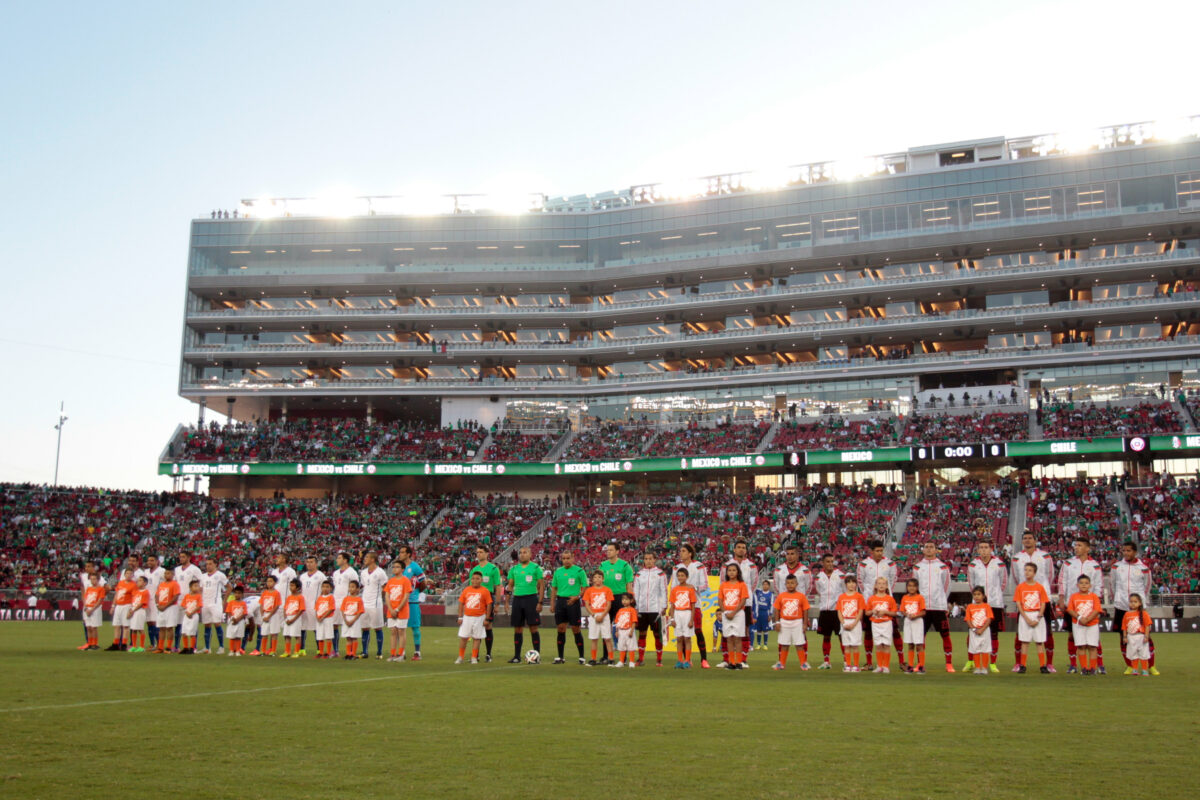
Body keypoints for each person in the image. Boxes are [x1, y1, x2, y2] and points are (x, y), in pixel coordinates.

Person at [1059, 538, 1106, 674]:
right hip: (1072, 605)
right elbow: (1062, 581)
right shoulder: (1068, 563)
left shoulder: (1095, 565)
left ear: (1087, 548)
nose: (1076, 548)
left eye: (1079, 545)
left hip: (1089, 607)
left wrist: (1094, 602)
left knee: (1094, 638)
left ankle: (1099, 665)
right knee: (1072, 636)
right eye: (1075, 545)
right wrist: (1062, 598)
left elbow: (1099, 585)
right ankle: (1073, 665)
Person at [1011, 532, 1056, 672]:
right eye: (1025, 538)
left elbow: (1050, 575)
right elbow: (1016, 577)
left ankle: (1048, 663)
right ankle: (1019, 663)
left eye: (1030, 538)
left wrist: (1039, 590)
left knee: (1046, 633)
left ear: (1035, 540)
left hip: (1042, 599)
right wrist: (1026, 591)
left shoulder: (1045, 556)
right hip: (1025, 600)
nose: (1027, 540)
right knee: (1021, 635)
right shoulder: (1017, 557)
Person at [1111, 541, 1157, 675]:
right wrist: (1118, 599)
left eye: (1128, 551)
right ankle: (1130, 666)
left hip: (1138, 608)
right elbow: (1113, 585)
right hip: (1122, 606)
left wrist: (1141, 602)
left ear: (1135, 552)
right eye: (1124, 551)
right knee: (1123, 637)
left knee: (1145, 636)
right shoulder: (1116, 567)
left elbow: (1147, 586)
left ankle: (1151, 666)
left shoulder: (1143, 568)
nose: (1126, 553)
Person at [857, 540, 901, 667]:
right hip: (869, 603)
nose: (879, 553)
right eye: (877, 551)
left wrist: (885, 596)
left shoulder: (890, 564)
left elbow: (892, 581)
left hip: (886, 603)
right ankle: (869, 663)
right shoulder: (863, 564)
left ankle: (901, 661)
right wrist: (870, 597)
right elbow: (861, 582)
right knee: (869, 633)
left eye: (881, 550)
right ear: (871, 551)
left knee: (895, 632)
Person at [912, 541, 954, 672]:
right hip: (923, 608)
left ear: (936, 550)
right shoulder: (917, 567)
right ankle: (920, 664)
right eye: (927, 547)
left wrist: (942, 600)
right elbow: (914, 587)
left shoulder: (943, 567)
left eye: (932, 547)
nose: (929, 549)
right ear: (923, 550)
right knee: (920, 637)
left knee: (945, 635)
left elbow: (946, 586)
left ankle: (948, 664)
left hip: (938, 607)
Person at [966, 539, 1007, 673]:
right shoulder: (973, 565)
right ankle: (971, 661)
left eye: (986, 547)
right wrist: (979, 598)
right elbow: (972, 584)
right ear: (978, 550)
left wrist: (995, 595)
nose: (983, 550)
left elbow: (1003, 583)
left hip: (995, 603)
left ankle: (992, 663)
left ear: (991, 549)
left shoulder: (999, 564)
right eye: (981, 548)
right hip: (977, 605)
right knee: (973, 633)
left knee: (994, 634)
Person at [671, 543, 712, 668]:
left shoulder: (699, 566)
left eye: (683, 551)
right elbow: (673, 587)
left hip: (695, 605)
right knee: (682, 635)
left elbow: (705, 585)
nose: (681, 553)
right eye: (680, 551)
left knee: (698, 630)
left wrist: (694, 588)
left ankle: (704, 660)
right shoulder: (676, 568)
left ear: (690, 553)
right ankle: (685, 660)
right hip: (679, 607)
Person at [504, 546, 545, 664]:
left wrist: (540, 601)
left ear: (530, 554)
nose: (522, 554)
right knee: (517, 628)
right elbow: (510, 586)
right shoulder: (514, 569)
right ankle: (517, 656)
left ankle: (537, 655)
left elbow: (541, 586)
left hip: (531, 599)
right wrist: (507, 601)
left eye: (525, 552)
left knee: (533, 627)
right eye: (520, 552)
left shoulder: (536, 568)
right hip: (517, 599)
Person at [723, 540, 759, 665]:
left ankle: (743, 659)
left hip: (745, 603)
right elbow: (723, 582)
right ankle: (728, 660)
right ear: (734, 549)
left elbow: (754, 584)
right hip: (729, 603)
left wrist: (745, 595)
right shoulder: (726, 565)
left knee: (744, 630)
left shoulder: (751, 566)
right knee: (727, 631)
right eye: (739, 547)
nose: (741, 550)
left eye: (743, 547)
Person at [550, 550, 588, 665]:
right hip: (561, 601)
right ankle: (560, 657)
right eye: (564, 558)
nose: (566, 560)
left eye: (568, 558)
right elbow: (554, 589)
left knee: (576, 629)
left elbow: (585, 587)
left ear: (573, 558)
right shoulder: (558, 572)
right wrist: (552, 603)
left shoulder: (579, 571)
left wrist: (577, 597)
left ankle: (581, 657)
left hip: (573, 602)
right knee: (560, 629)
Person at [599, 543, 634, 660]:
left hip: (620, 598)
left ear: (617, 551)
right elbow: (599, 583)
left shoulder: (625, 566)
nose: (608, 552)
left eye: (611, 550)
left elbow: (629, 585)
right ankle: (606, 656)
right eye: (607, 550)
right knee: (605, 628)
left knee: (623, 627)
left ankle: (623, 658)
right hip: (606, 598)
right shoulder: (602, 565)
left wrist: (630, 601)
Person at [632, 552, 668, 666]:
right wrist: (636, 607)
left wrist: (664, 606)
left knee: (657, 635)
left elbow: (664, 591)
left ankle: (659, 660)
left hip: (655, 609)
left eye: (650, 559)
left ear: (654, 560)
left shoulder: (660, 574)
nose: (648, 561)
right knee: (642, 634)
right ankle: (641, 659)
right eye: (646, 559)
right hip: (642, 609)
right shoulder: (638, 575)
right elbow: (636, 592)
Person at [468, 546, 503, 662]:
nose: (478, 554)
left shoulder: (493, 569)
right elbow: (470, 587)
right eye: (477, 552)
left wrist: (497, 603)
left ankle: (488, 654)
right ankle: (475, 654)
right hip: (475, 599)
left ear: (487, 554)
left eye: (481, 552)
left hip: (488, 599)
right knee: (475, 626)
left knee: (487, 625)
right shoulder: (474, 570)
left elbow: (498, 586)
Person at [1014, 562, 1050, 674]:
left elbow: (1043, 603)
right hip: (1025, 615)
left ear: (1034, 573)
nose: (1027, 572)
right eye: (1025, 570)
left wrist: (1038, 617)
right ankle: (1023, 665)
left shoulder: (1040, 587)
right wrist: (1026, 618)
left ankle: (1043, 666)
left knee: (1039, 642)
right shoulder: (1020, 587)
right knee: (1025, 642)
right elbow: (1019, 604)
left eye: (1030, 570)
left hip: (1037, 614)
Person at [772, 572, 812, 671]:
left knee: (799, 644)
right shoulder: (781, 596)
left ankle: (803, 663)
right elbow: (777, 609)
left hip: (797, 622)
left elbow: (805, 610)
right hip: (784, 622)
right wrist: (777, 622)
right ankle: (781, 663)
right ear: (785, 584)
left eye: (792, 583)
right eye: (788, 583)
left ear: (796, 584)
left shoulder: (801, 596)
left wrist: (804, 623)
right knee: (784, 644)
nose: (790, 585)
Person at [814, 553, 847, 669]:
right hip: (824, 610)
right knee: (826, 636)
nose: (830, 564)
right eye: (828, 561)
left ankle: (846, 661)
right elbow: (819, 592)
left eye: (832, 561)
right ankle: (827, 661)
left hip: (837, 610)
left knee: (841, 636)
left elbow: (845, 592)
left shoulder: (841, 576)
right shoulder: (818, 577)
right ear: (823, 563)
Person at [1066, 575, 1102, 676]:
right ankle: (1084, 668)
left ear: (1090, 585)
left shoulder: (1094, 596)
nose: (1084, 585)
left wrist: (1088, 619)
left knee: (1092, 646)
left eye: (1086, 583)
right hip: (1078, 625)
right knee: (1081, 646)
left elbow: (1097, 610)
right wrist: (1080, 618)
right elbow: (1070, 609)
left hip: (1092, 624)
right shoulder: (1074, 596)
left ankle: (1093, 668)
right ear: (1077, 585)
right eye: (1081, 583)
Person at [396, 545, 427, 660]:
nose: (400, 554)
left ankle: (417, 652)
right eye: (400, 552)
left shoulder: (415, 567)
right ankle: (401, 652)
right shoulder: (398, 567)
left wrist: (416, 592)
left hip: (412, 602)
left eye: (403, 552)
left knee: (415, 627)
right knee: (399, 628)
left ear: (408, 554)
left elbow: (423, 582)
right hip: (400, 602)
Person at [717, 563, 749, 670]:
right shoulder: (723, 585)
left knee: (737, 638)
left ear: (738, 572)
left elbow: (743, 600)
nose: (731, 572)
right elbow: (720, 600)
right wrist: (725, 612)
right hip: (726, 613)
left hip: (738, 613)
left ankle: (739, 662)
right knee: (729, 638)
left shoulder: (742, 584)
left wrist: (734, 612)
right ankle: (731, 662)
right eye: (729, 570)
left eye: (734, 570)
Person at [456, 571, 492, 664]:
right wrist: (460, 617)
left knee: (477, 638)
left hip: (480, 617)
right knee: (464, 637)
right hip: (467, 617)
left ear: (481, 580)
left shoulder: (485, 591)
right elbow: (461, 603)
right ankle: (460, 657)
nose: (475, 580)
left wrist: (487, 618)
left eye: (477, 578)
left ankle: (474, 657)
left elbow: (489, 605)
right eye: (473, 578)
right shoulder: (466, 590)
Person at [357, 551, 388, 659]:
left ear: (373, 559)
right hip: (364, 602)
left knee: (377, 628)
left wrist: (381, 597)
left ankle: (379, 652)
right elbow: (364, 586)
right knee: (365, 628)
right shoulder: (363, 572)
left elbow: (385, 587)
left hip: (375, 603)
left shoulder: (380, 572)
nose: (364, 559)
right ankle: (365, 651)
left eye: (367, 557)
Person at [865, 576, 898, 674]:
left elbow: (894, 613)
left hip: (886, 623)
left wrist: (885, 612)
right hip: (875, 624)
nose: (881, 585)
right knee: (878, 645)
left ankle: (886, 666)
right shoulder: (871, 599)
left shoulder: (890, 599)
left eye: (883, 584)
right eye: (879, 583)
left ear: (887, 586)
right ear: (875, 586)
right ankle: (879, 666)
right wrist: (873, 611)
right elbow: (867, 613)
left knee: (886, 645)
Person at [668, 568, 699, 669]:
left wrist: (691, 620)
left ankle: (687, 660)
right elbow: (672, 605)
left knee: (687, 638)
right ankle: (679, 660)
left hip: (687, 613)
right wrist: (672, 619)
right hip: (677, 614)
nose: (680, 577)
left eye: (682, 575)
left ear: (687, 577)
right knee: (679, 638)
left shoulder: (690, 589)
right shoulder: (675, 589)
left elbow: (693, 605)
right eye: (679, 575)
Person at [582, 570, 614, 666]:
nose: (597, 579)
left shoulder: (607, 590)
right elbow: (587, 605)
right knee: (594, 638)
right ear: (592, 579)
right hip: (593, 616)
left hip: (604, 615)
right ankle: (593, 659)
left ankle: (611, 659)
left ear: (603, 579)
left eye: (599, 577)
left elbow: (609, 604)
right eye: (595, 577)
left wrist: (603, 615)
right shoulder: (589, 590)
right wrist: (594, 615)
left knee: (607, 638)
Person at [298, 556, 327, 658]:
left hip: (315, 606)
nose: (309, 564)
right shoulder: (302, 576)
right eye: (307, 562)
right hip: (304, 606)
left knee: (317, 629)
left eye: (311, 562)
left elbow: (325, 591)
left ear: (316, 563)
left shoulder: (321, 576)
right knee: (302, 628)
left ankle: (319, 650)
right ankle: (302, 649)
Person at [330, 552, 358, 657]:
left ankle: (350, 651)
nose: (337, 559)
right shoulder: (336, 573)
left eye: (339, 558)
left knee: (348, 626)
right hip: (336, 602)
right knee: (334, 625)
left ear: (345, 560)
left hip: (347, 602)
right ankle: (336, 650)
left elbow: (356, 587)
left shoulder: (352, 573)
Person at [199, 558, 230, 654]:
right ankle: (207, 648)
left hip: (215, 603)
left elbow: (229, 587)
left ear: (215, 564)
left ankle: (221, 647)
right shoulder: (203, 576)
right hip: (205, 603)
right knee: (207, 625)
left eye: (210, 564)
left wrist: (224, 600)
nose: (208, 566)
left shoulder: (220, 575)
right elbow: (200, 589)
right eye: (207, 564)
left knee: (217, 624)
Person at [384, 561, 413, 662]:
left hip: (402, 610)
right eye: (394, 567)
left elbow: (406, 596)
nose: (395, 569)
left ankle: (401, 654)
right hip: (391, 610)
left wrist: (397, 609)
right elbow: (387, 595)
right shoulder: (390, 581)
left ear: (402, 569)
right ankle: (393, 654)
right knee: (393, 632)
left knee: (401, 631)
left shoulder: (405, 581)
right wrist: (391, 609)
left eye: (397, 567)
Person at [174, 553, 203, 651]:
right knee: (179, 624)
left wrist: (198, 596)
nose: (181, 558)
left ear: (189, 558)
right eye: (180, 557)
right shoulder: (177, 569)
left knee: (192, 625)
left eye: (183, 557)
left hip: (191, 600)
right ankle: (177, 646)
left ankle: (193, 647)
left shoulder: (195, 569)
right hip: (179, 599)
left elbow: (201, 582)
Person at [836, 575, 865, 672]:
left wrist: (854, 623)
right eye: (849, 582)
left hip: (855, 622)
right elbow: (839, 611)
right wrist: (843, 623)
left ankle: (856, 665)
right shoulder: (841, 597)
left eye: (853, 582)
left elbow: (860, 611)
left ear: (856, 584)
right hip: (845, 622)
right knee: (847, 645)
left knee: (855, 645)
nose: (851, 585)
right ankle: (848, 665)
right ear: (846, 584)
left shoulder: (859, 596)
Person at [77, 562, 107, 650]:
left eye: (88, 566)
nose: (93, 581)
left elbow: (102, 597)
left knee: (94, 627)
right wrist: (85, 606)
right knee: (88, 626)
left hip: (95, 608)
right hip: (87, 607)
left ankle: (95, 644)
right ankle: (90, 643)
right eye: (92, 579)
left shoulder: (100, 587)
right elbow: (84, 595)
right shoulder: (88, 587)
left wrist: (93, 608)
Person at [900, 578, 927, 674]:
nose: (911, 588)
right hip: (908, 621)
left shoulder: (920, 598)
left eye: (914, 586)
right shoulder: (904, 598)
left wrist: (915, 615)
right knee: (910, 644)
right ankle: (910, 666)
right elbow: (902, 610)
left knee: (919, 644)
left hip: (917, 622)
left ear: (917, 587)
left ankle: (921, 666)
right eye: (909, 586)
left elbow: (923, 612)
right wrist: (907, 615)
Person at [965, 587, 994, 675]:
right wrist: (974, 629)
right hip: (974, 632)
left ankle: (984, 667)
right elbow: (968, 620)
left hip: (984, 631)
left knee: (985, 649)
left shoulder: (986, 606)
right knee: (975, 649)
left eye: (979, 594)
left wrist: (982, 629)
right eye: (975, 595)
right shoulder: (970, 607)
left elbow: (989, 619)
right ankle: (977, 667)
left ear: (983, 596)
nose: (976, 597)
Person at [1123, 594, 1153, 676]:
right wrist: (1125, 637)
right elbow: (1124, 627)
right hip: (1131, 636)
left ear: (1140, 603)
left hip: (1141, 636)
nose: (1133, 604)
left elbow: (1147, 625)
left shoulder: (1144, 613)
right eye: (1131, 602)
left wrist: (1146, 636)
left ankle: (1144, 670)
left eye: (1135, 602)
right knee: (1133, 654)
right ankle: (1135, 669)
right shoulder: (1127, 614)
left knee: (1143, 653)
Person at [153, 566, 181, 654]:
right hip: (161, 607)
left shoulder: (175, 584)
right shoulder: (161, 584)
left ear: (173, 574)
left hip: (170, 608)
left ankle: (169, 647)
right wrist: (158, 604)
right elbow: (156, 595)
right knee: (161, 627)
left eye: (168, 573)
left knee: (169, 627)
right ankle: (160, 647)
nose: (166, 575)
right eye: (165, 573)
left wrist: (165, 606)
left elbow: (175, 597)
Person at [107, 568, 136, 651]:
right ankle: (115, 644)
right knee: (117, 625)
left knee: (126, 626)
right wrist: (113, 606)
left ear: (132, 575)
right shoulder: (120, 583)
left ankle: (124, 644)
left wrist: (132, 608)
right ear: (125, 574)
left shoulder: (133, 585)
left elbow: (134, 597)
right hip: (118, 605)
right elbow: (117, 594)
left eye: (130, 573)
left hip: (127, 605)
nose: (129, 575)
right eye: (127, 573)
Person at [142, 555, 164, 651]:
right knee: (149, 622)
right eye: (148, 560)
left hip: (156, 599)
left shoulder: (161, 571)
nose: (149, 562)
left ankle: (159, 644)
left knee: (155, 622)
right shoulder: (145, 572)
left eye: (152, 560)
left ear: (157, 561)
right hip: (146, 599)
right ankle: (152, 644)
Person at [259, 574, 283, 657]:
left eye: (271, 581)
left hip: (273, 615)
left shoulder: (277, 593)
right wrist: (263, 615)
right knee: (264, 633)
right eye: (268, 581)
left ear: (275, 583)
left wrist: (269, 616)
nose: (269, 583)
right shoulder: (264, 593)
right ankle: (263, 650)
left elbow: (277, 606)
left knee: (274, 633)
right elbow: (261, 604)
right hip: (265, 614)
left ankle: (273, 651)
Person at [613, 594, 639, 668]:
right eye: (623, 599)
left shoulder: (632, 610)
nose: (624, 601)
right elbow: (617, 622)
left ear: (631, 601)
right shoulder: (620, 610)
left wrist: (631, 631)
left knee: (631, 646)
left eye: (626, 599)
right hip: (621, 630)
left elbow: (634, 621)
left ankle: (631, 661)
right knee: (621, 646)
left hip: (629, 629)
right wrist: (616, 631)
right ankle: (621, 661)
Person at [341, 581, 365, 660]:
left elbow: (360, 611)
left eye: (353, 587)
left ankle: (353, 654)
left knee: (354, 637)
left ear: (357, 589)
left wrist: (353, 620)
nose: (351, 589)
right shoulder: (346, 599)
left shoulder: (358, 600)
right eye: (350, 587)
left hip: (355, 620)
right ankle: (348, 653)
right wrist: (345, 619)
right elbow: (342, 610)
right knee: (348, 637)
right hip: (347, 619)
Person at [180, 579, 203, 655]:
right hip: (186, 615)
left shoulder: (198, 596)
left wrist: (192, 613)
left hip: (194, 615)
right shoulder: (187, 596)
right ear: (190, 587)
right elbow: (183, 605)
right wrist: (187, 612)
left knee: (192, 632)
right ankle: (185, 647)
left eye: (198, 586)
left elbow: (199, 606)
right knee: (184, 632)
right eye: (195, 586)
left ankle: (192, 648)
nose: (197, 587)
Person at [314, 580, 336, 659]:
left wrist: (323, 616)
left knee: (328, 635)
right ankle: (321, 652)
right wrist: (317, 616)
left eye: (327, 587)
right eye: (323, 587)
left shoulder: (330, 597)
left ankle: (328, 652)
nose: (325, 589)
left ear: (331, 588)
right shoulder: (319, 598)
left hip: (328, 619)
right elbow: (316, 608)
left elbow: (331, 608)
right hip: (320, 619)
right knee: (320, 635)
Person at [128, 576, 150, 653]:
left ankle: (142, 646)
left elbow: (141, 603)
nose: (138, 582)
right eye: (138, 580)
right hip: (134, 610)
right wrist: (130, 610)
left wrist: (133, 610)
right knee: (133, 629)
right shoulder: (136, 591)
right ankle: (134, 646)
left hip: (140, 611)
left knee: (140, 628)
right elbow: (133, 602)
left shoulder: (145, 592)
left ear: (145, 583)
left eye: (140, 580)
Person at [225, 586, 248, 656]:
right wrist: (233, 618)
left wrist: (238, 619)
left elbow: (244, 613)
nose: (237, 595)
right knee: (232, 636)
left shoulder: (243, 603)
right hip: (232, 620)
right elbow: (228, 611)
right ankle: (231, 650)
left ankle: (237, 650)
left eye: (239, 593)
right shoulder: (231, 602)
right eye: (236, 593)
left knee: (238, 636)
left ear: (242, 594)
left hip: (240, 621)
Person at [752, 579, 774, 651]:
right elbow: (753, 586)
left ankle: (765, 644)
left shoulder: (771, 595)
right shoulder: (758, 592)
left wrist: (770, 614)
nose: (765, 586)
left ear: (769, 586)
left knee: (765, 630)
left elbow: (771, 605)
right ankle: (758, 644)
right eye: (763, 584)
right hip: (758, 613)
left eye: (766, 584)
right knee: (758, 630)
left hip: (765, 613)